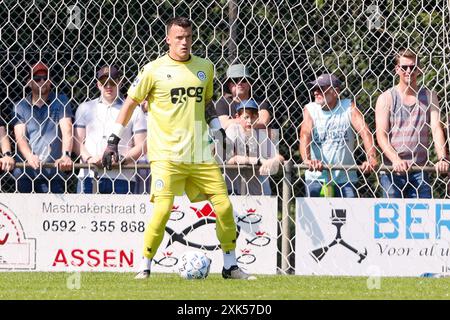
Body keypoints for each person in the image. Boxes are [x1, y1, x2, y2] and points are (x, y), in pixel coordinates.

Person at [101, 17, 254, 280]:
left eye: (188, 37)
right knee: (162, 211)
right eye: (179, 37)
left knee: (225, 207)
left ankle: (230, 266)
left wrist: (218, 131)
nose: (184, 42)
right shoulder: (153, 70)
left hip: (200, 154)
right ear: (168, 39)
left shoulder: (205, 67)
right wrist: (113, 141)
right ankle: (145, 265)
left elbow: (207, 104)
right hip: (166, 154)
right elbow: (129, 104)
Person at [375, 48, 448, 198]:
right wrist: (396, 160)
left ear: (419, 69)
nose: (409, 71)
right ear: (397, 69)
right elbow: (381, 135)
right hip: (392, 170)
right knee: (391, 217)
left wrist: (442, 158)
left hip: (419, 169)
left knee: (423, 216)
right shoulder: (386, 98)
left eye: (413, 67)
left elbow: (436, 128)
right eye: (404, 67)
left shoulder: (429, 96)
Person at [299, 73, 378, 197]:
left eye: (321, 89)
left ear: (335, 91)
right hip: (316, 176)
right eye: (314, 89)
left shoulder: (348, 107)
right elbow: (305, 134)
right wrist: (307, 160)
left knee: (348, 214)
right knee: (314, 215)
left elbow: (365, 132)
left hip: (345, 177)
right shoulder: (310, 109)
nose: (315, 92)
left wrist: (371, 158)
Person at [74, 65, 147, 194]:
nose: (108, 86)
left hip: (122, 176)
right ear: (98, 84)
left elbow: (142, 145)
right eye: (104, 82)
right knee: (85, 214)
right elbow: (77, 142)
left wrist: (122, 160)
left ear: (120, 82)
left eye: (113, 82)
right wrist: (89, 159)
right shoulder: (85, 108)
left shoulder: (134, 111)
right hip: (89, 174)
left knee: (122, 214)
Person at [12, 62, 73, 193]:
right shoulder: (20, 106)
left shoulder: (60, 101)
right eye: (37, 78)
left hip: (53, 173)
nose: (42, 81)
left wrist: (66, 155)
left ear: (50, 81)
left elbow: (67, 130)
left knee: (53, 212)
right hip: (26, 173)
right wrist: (29, 156)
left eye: (45, 78)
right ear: (29, 82)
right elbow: (20, 137)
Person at [224, 99, 284, 195]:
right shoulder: (233, 130)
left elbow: (280, 157)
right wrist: (259, 161)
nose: (250, 121)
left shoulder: (260, 134)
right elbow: (231, 159)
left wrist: (272, 161)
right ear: (237, 117)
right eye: (246, 117)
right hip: (235, 191)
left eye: (254, 117)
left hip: (260, 192)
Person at [215, 63, 271, 130]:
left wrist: (236, 122)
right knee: (231, 129)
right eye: (234, 80)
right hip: (232, 138)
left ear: (249, 84)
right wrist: (250, 121)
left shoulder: (259, 102)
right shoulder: (222, 103)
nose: (239, 83)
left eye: (243, 80)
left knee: (272, 133)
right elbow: (224, 124)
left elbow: (263, 122)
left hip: (257, 137)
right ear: (229, 85)